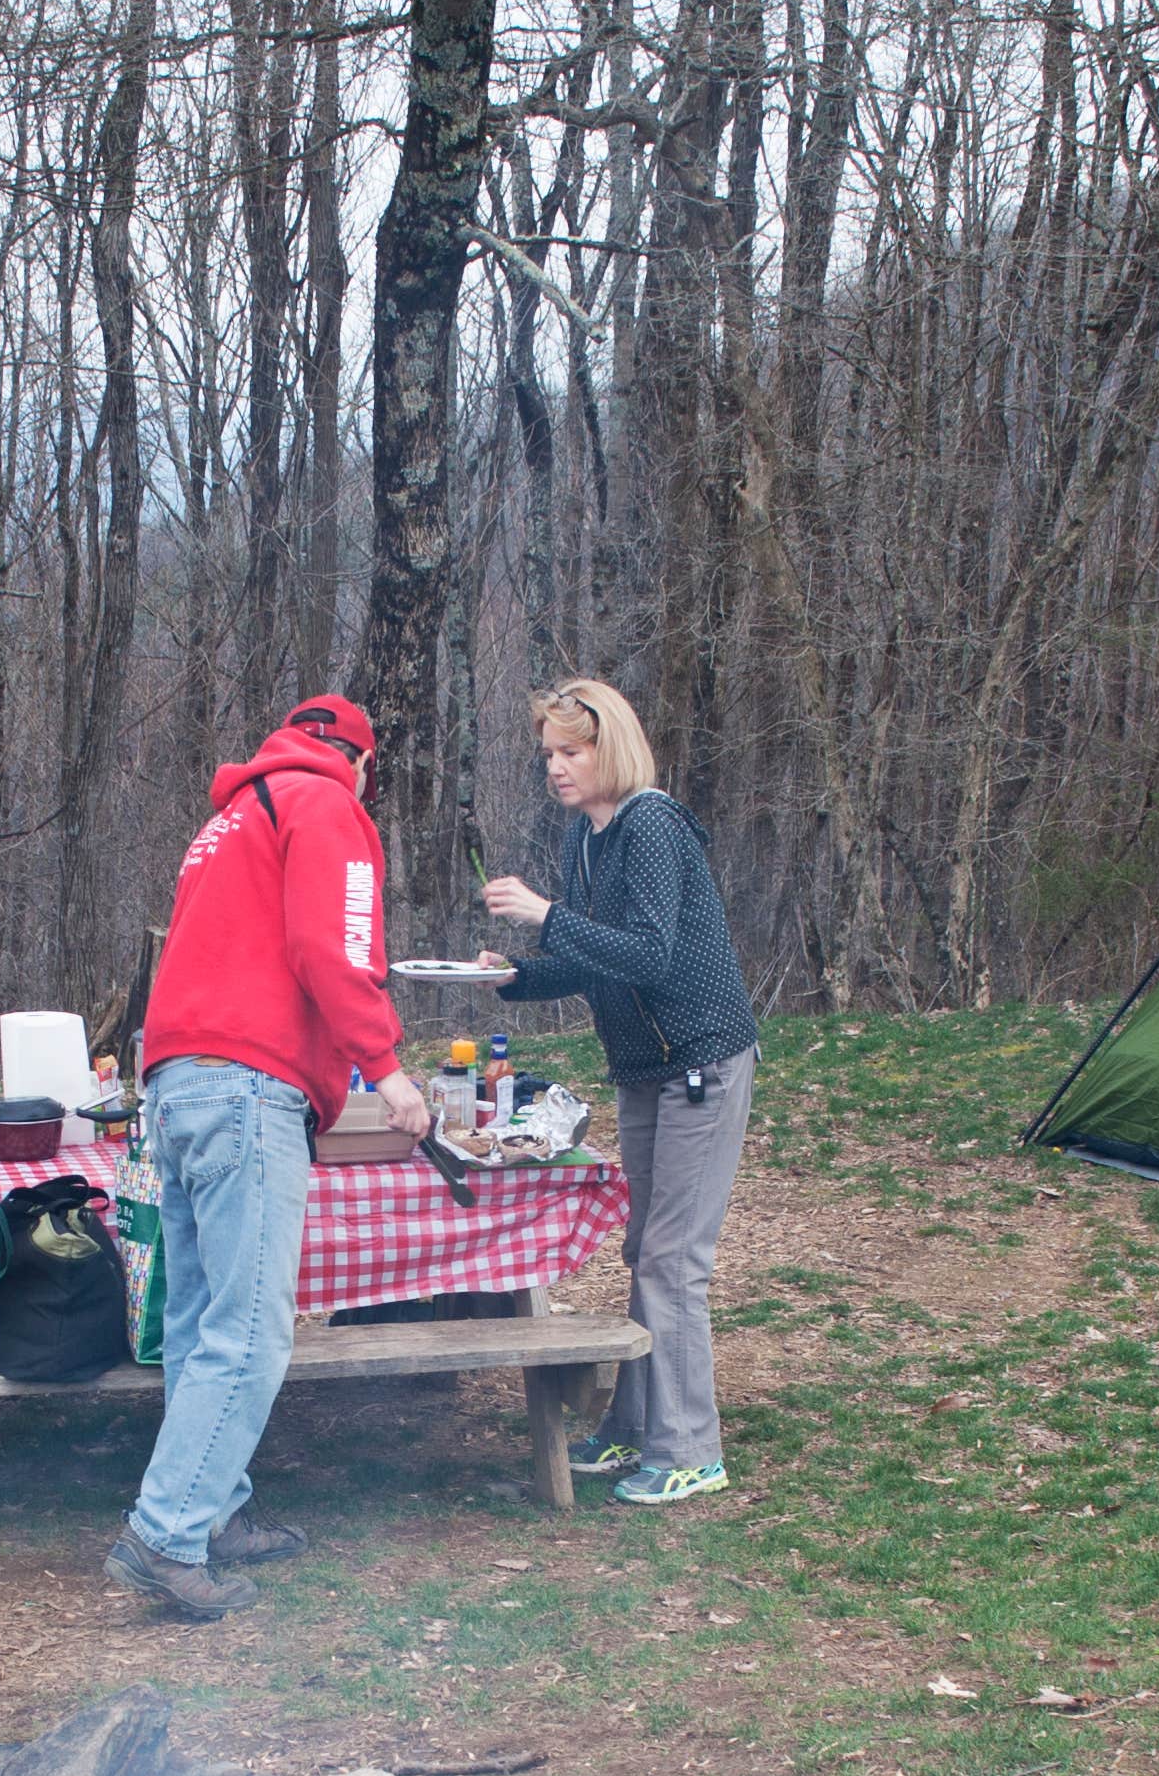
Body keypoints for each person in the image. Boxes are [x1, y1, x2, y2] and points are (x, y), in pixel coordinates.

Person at [109, 697, 433, 1619]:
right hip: (246, 1085)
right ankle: (167, 1535)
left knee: (201, 1319)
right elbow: (332, 948)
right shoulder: (329, 804)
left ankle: (214, 1512)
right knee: (250, 1329)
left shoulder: (232, 814)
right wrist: (387, 1070)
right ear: (360, 760)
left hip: (177, 1080)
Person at [480, 678, 758, 1506]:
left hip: (701, 1060)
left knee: (675, 1259)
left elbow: (650, 955)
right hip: (644, 1067)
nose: (558, 769)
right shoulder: (587, 838)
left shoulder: (654, 826)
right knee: (647, 1250)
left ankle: (690, 1449)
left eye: (573, 751)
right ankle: (637, 1428)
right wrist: (516, 977)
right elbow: (597, 959)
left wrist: (542, 916)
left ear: (613, 748)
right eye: (550, 755)